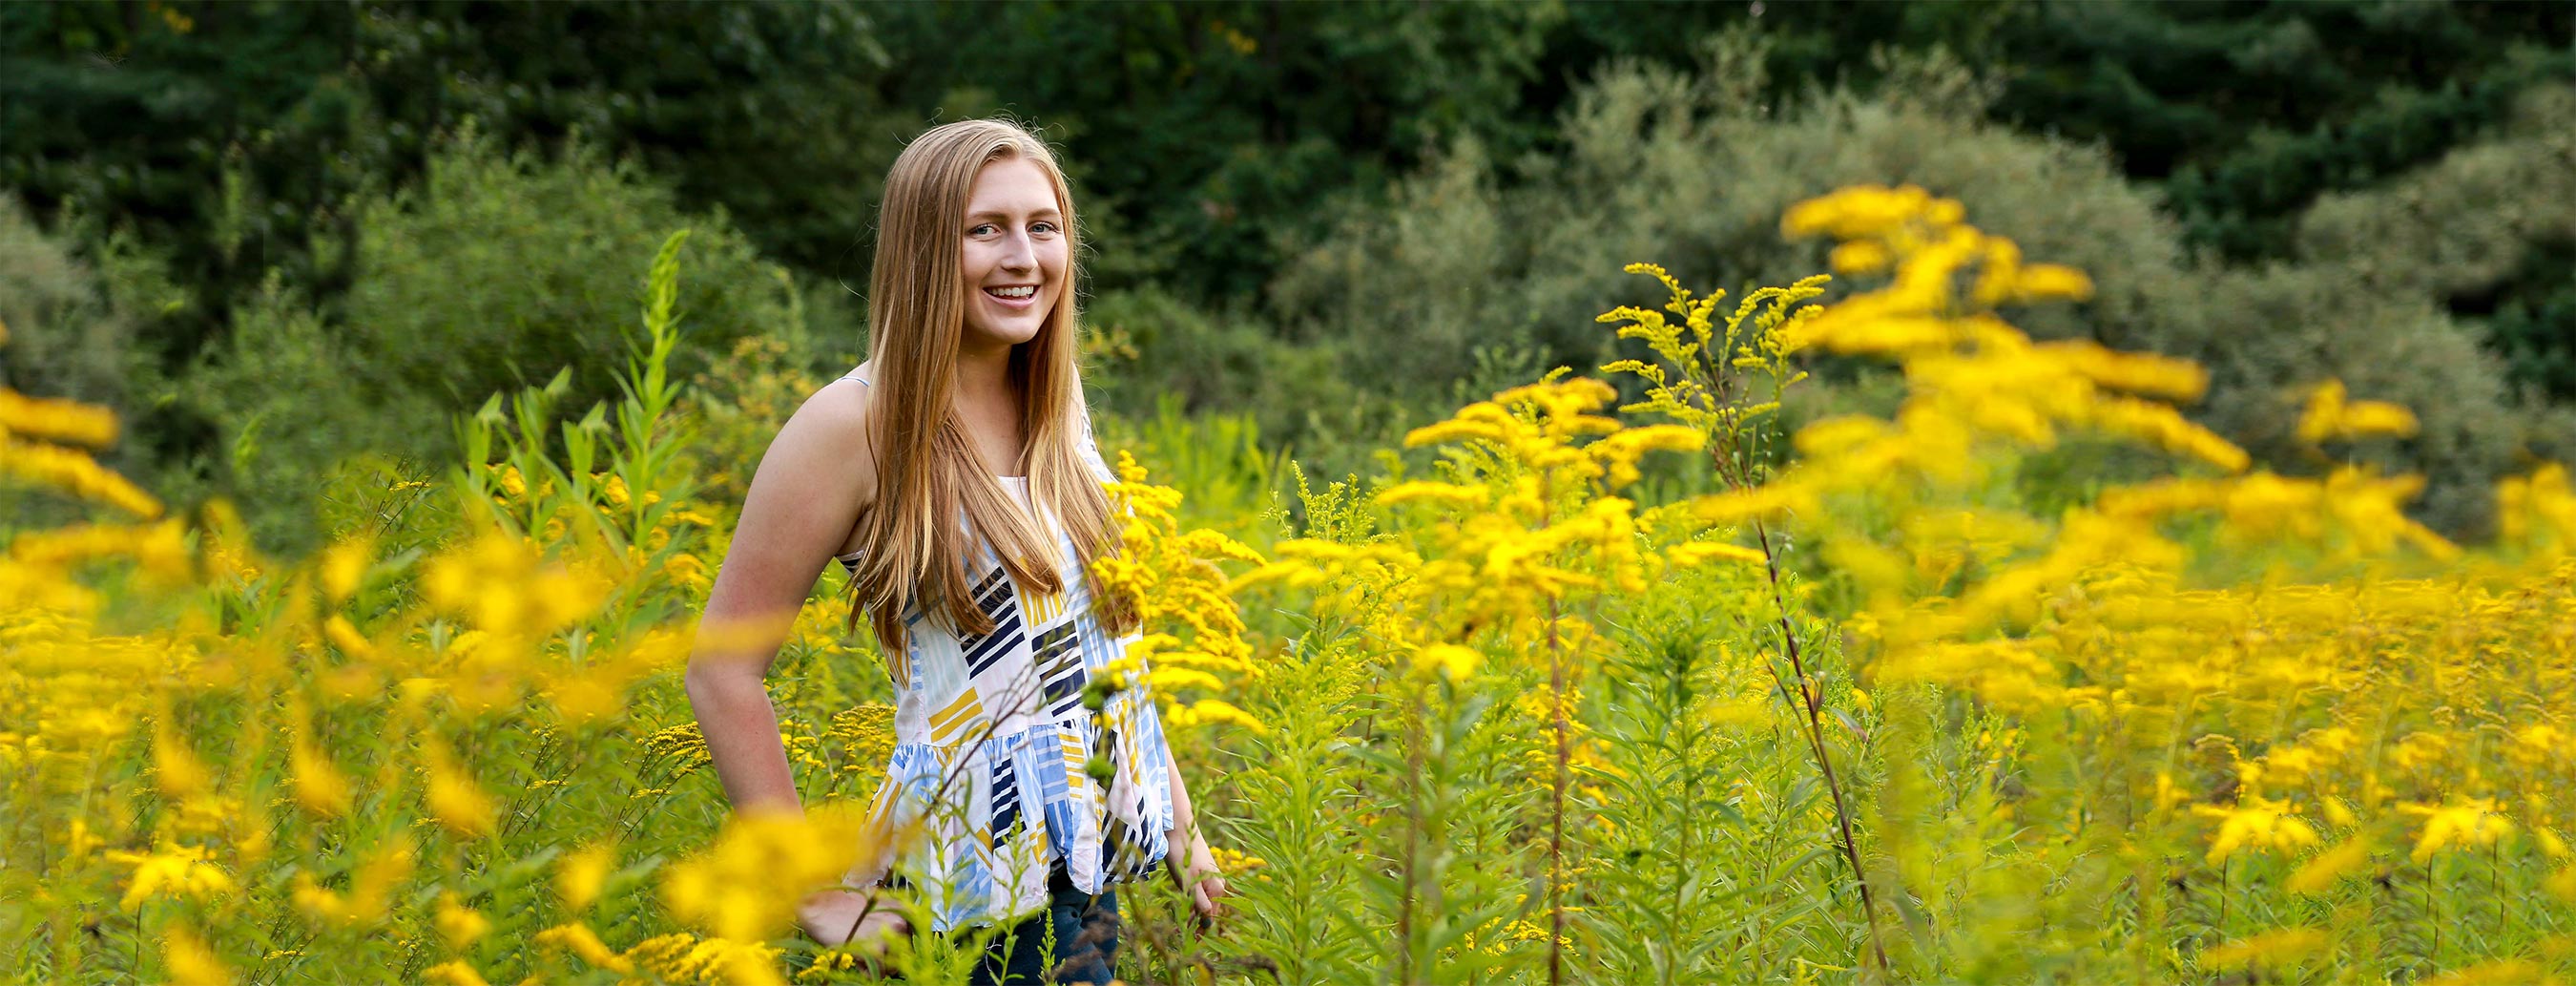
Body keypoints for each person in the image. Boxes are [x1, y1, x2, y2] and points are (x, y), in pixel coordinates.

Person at [682, 118, 1225, 985]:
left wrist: (1181, 829)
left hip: (1079, 888)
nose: (1023, 257)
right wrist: (811, 894)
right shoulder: (852, 425)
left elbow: (1100, 648)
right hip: (950, 913)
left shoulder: (1055, 407)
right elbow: (719, 670)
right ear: (925, 248)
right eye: (986, 230)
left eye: (1042, 227)